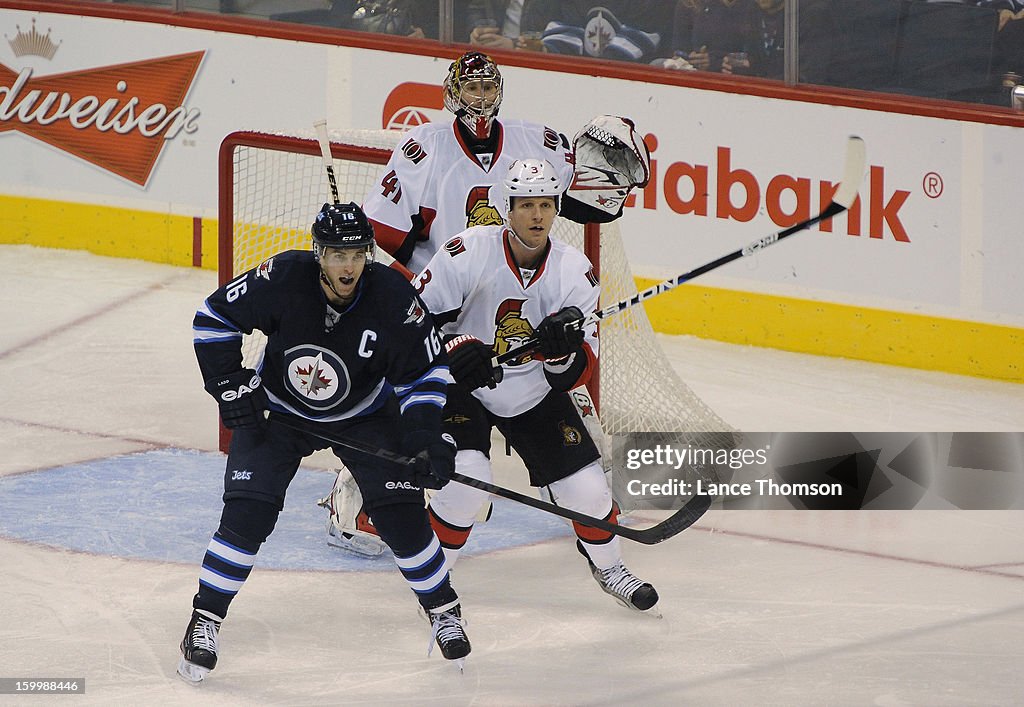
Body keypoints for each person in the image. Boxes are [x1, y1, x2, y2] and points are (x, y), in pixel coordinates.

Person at [325, 50, 650, 556]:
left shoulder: (534, 140)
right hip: (448, 302)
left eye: (486, 87)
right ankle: (360, 500)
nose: (479, 98)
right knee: (403, 399)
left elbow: (586, 193)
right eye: (469, 88)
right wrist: (425, 306)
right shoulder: (421, 149)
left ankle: (574, 491)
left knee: (570, 400)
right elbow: (385, 236)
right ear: (452, 93)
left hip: (517, 299)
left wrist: (612, 166)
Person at [177, 202, 470, 683]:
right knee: (246, 515)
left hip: (364, 416)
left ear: (368, 256)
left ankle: (443, 609)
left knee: (401, 518)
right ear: (319, 255)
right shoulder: (283, 277)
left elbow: (426, 373)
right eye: (336, 254)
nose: (347, 266)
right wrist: (229, 383)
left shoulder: (394, 297)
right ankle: (204, 620)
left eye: (356, 254)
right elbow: (213, 318)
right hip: (278, 411)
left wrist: (421, 437)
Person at [414, 158, 660, 613]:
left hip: (529, 390)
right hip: (461, 389)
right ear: (507, 209)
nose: (537, 215)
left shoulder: (575, 271)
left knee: (588, 491)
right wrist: (456, 347)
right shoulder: (465, 252)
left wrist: (560, 351)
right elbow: (411, 325)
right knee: (467, 486)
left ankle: (609, 568)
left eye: (545, 204)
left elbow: (576, 371)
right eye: (526, 205)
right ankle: (432, 580)